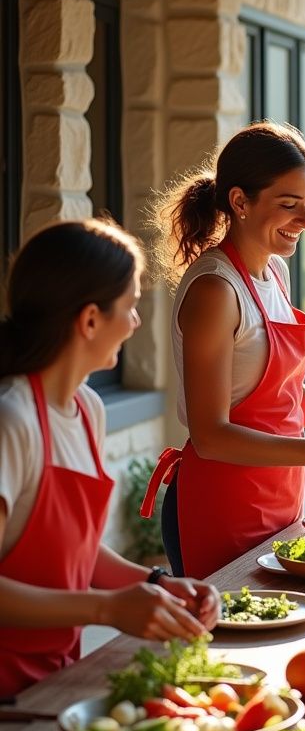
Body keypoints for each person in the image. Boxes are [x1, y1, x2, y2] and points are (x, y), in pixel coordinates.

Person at [143, 121, 305, 579]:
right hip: (222, 504)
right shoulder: (215, 290)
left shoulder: (274, 273)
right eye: (288, 205)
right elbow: (211, 434)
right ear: (240, 202)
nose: (304, 221)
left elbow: (278, 391)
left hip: (278, 493)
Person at [0, 219, 220, 701]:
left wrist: (161, 585)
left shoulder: (86, 409)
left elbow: (77, 554)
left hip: (54, 681)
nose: (136, 322)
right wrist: (106, 610)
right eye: (132, 306)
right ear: (91, 320)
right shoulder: (12, 421)